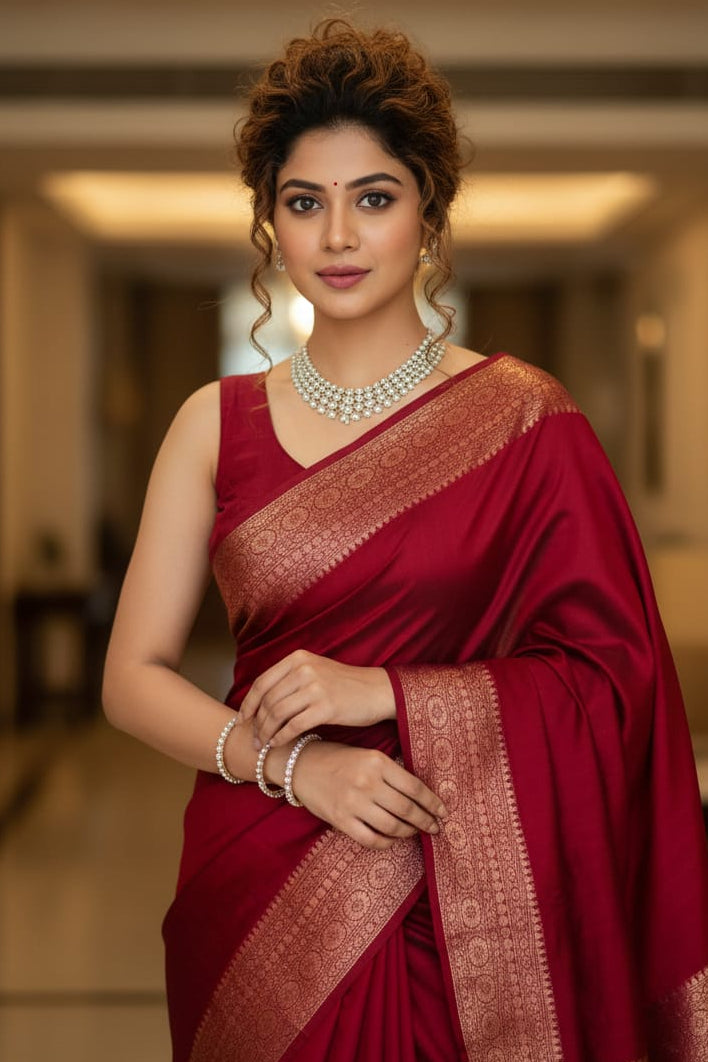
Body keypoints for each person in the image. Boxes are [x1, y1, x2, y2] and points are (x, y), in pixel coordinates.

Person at [102, 18, 708, 1062]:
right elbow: (132, 676)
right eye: (305, 203)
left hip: (465, 887)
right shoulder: (213, 421)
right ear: (271, 228)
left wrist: (386, 691)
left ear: (428, 215)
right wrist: (295, 767)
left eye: (372, 198)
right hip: (259, 883)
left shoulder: (525, 421)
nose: (337, 236)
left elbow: (619, 682)